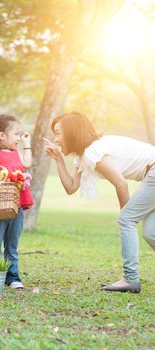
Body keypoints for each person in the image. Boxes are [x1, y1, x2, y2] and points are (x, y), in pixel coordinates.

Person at [44, 111, 155, 294]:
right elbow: (71, 187)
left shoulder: (93, 151)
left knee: (126, 219)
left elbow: (121, 183)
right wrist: (58, 159)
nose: (55, 139)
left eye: (58, 133)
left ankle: (130, 278)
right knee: (151, 232)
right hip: (150, 174)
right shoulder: (82, 155)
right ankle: (130, 278)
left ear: (71, 132)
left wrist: (125, 217)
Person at [0, 114, 33, 289]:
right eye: (16, 134)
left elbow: (27, 163)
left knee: (12, 243)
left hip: (16, 205)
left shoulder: (16, 152)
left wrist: (27, 144)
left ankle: (12, 276)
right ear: (2, 136)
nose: (19, 138)